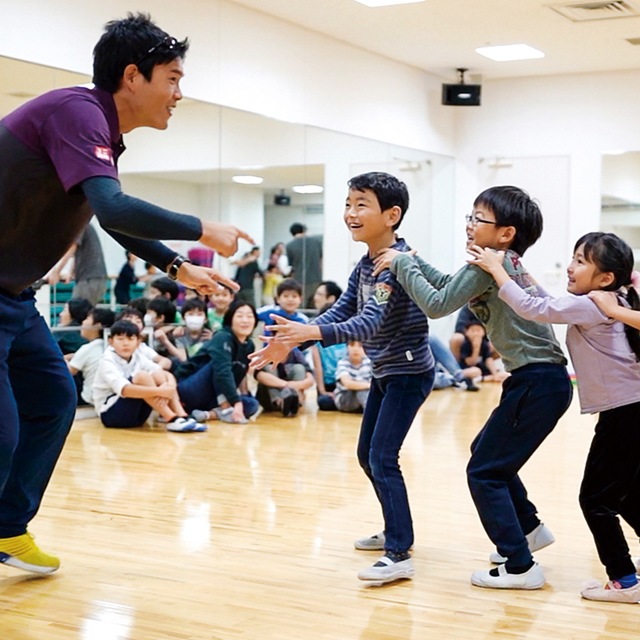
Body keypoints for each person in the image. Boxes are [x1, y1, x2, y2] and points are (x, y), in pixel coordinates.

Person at [0, 13, 253, 575]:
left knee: (54, 400)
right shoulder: (76, 111)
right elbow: (115, 209)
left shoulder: (99, 131)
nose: (179, 94)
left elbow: (106, 213)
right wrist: (201, 229)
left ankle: (7, 528)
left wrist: (176, 265)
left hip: (15, 300)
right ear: (133, 76)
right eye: (173, 79)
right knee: (3, 430)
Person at [374, 185, 572, 590]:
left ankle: (520, 565)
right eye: (471, 216)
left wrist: (401, 264)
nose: (469, 225)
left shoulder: (488, 265)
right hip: (540, 381)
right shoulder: (500, 262)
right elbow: (449, 286)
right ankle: (528, 530)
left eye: (478, 219)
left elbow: (437, 304)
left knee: (484, 472)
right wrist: (413, 260)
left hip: (537, 382)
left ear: (506, 233)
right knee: (485, 453)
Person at [251, 172, 435, 586]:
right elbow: (343, 309)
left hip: (408, 373)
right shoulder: (367, 263)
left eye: (361, 204)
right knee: (367, 454)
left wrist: (310, 332)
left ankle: (399, 551)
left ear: (392, 215)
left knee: (382, 457)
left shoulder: (394, 266)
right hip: (386, 370)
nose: (351, 213)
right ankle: (395, 528)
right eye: (348, 204)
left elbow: (368, 323)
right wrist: (295, 338)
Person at [470, 232, 640, 603]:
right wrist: (520, 274)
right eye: (573, 258)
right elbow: (548, 303)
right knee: (625, 494)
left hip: (626, 413)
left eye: (580, 261)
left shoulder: (594, 304)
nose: (570, 267)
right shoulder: (614, 298)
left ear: (605, 277)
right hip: (631, 410)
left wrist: (499, 272)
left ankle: (625, 581)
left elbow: (534, 309)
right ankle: (627, 576)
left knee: (595, 501)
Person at [93, 321, 204, 432]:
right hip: (111, 415)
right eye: (120, 339)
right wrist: (160, 391)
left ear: (138, 342)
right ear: (111, 342)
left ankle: (182, 415)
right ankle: (171, 418)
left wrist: (168, 386)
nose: (125, 343)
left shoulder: (137, 356)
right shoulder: (107, 360)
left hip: (138, 416)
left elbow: (164, 373)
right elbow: (125, 390)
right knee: (142, 376)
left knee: (159, 375)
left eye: (130, 339)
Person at [174, 301, 261, 424]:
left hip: (212, 397)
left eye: (249, 316)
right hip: (191, 389)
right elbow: (222, 371)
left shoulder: (249, 345)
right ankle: (225, 409)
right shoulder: (221, 337)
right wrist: (236, 402)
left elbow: (241, 373)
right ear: (230, 319)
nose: (245, 320)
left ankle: (209, 414)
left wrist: (242, 398)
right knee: (220, 365)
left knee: (252, 404)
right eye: (240, 316)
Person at [46, 224, 109, 307]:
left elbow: (71, 249)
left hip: (89, 279)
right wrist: (71, 273)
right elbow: (76, 252)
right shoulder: (83, 225)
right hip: (92, 279)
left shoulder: (79, 225)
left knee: (73, 310)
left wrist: (56, 272)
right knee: (80, 311)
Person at [67, 307, 115, 406]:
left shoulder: (87, 348)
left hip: (90, 399)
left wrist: (59, 359)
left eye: (88, 318)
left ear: (97, 326)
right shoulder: (110, 346)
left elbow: (68, 371)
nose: (83, 322)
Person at [255, 349, 314, 417]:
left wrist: (295, 386)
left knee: (299, 368)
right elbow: (259, 375)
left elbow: (310, 380)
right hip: (269, 398)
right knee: (270, 368)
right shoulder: (267, 351)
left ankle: (296, 400)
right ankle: (279, 402)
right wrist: (286, 385)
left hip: (292, 390)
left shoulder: (295, 352)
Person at [286, 223, 323, 307]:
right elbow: (321, 260)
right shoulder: (317, 242)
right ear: (304, 230)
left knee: (300, 306)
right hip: (316, 278)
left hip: (299, 280)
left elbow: (291, 266)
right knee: (314, 306)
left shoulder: (290, 246)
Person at [333, 341, 372, 413]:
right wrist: (369, 385)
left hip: (364, 395)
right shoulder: (342, 363)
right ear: (347, 347)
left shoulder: (369, 362)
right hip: (345, 397)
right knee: (362, 392)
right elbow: (348, 383)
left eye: (360, 346)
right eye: (352, 345)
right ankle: (371, 412)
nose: (355, 349)